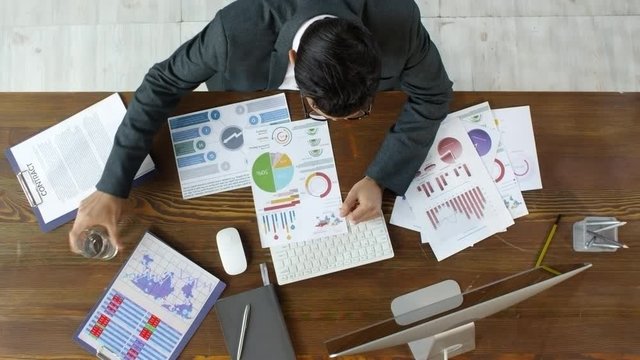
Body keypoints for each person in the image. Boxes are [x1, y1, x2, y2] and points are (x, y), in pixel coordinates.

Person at [68, 0, 453, 253]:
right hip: (242, 109)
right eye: (320, 112)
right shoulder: (234, 32)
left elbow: (434, 96)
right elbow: (163, 82)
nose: (339, 125)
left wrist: (379, 176)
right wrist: (112, 185)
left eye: (356, 114)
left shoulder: (398, 22)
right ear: (292, 58)